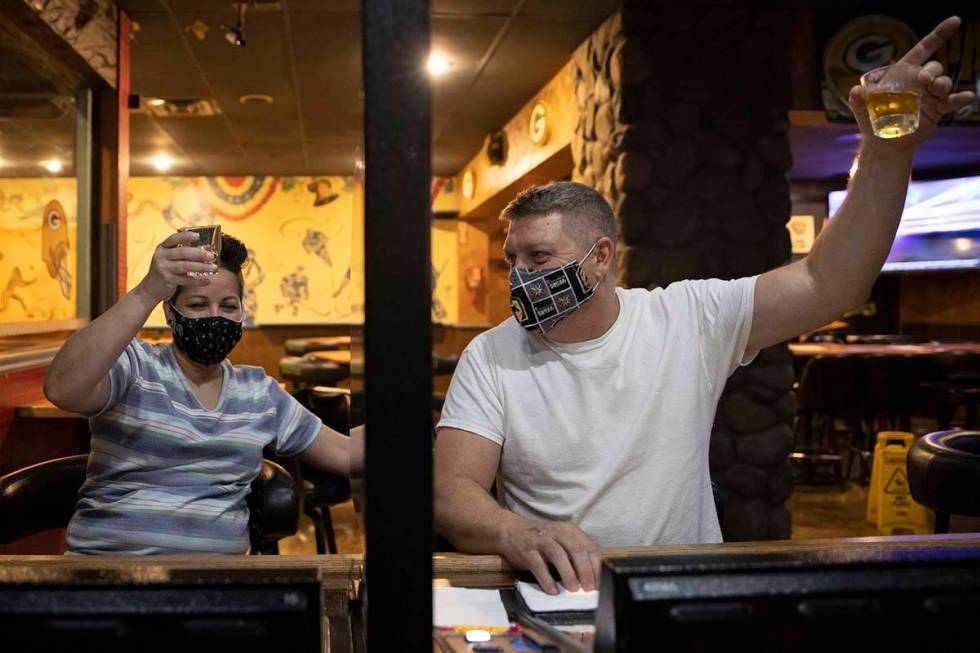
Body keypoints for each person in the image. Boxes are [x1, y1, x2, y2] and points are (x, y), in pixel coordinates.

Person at [434, 16, 976, 594]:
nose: (519, 277)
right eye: (512, 259)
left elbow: (830, 283)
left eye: (538, 259)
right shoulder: (491, 354)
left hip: (677, 589)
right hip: (552, 591)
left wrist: (885, 148)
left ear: (599, 257)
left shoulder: (687, 318)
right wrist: (516, 533)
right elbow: (453, 491)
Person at [44, 230, 353, 554]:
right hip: (108, 579)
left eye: (228, 305)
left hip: (215, 588)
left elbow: (345, 453)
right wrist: (148, 290)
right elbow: (63, 389)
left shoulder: (259, 393)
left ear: (241, 314)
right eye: (198, 304)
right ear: (169, 313)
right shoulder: (135, 366)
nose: (215, 316)